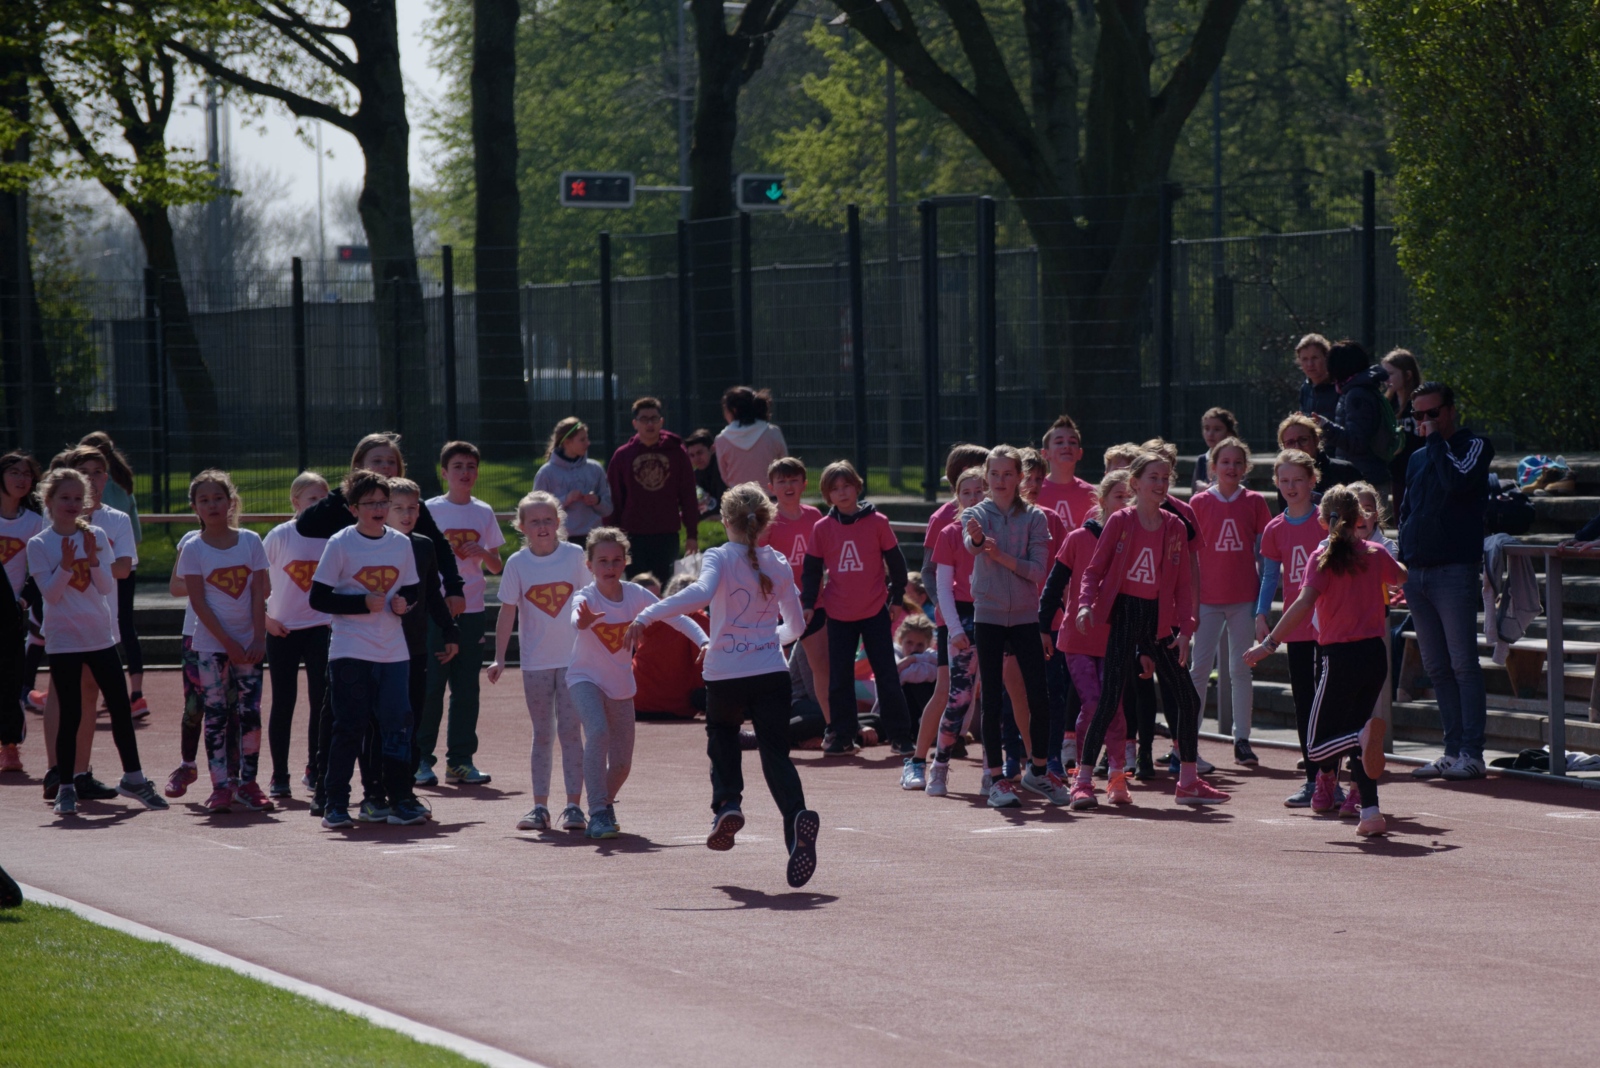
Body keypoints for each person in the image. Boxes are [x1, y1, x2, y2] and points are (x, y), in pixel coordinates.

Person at [629, 482, 819, 886]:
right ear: (766, 521)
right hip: (771, 671)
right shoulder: (780, 563)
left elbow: (699, 594)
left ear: (726, 521)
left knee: (723, 736)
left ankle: (728, 803)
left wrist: (647, 616)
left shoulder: (719, 556)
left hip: (726, 673)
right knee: (775, 753)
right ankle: (796, 818)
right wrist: (770, 640)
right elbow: (799, 626)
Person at [1246, 487, 1403, 837]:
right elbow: (1401, 576)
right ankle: (1372, 811)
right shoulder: (1375, 551)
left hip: (1340, 656)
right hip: (1374, 656)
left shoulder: (1322, 557)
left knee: (1317, 746)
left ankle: (1359, 742)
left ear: (1322, 519)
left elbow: (1302, 605)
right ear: (1358, 519)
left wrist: (1269, 645)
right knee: (1358, 729)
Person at [1075, 452, 1227, 806]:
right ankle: (1083, 780)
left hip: (1159, 620)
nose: (1160, 485)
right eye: (1153, 478)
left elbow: (1182, 587)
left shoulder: (1175, 526)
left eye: (1165, 478)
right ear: (1135, 484)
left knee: (1187, 697)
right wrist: (1085, 604)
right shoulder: (1120, 522)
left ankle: (1187, 781)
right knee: (1110, 698)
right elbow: (1094, 571)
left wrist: (1186, 630)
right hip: (1126, 613)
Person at [29, 468, 166, 815]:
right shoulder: (39, 544)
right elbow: (51, 595)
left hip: (99, 637)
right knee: (71, 713)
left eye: (78, 499)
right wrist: (66, 564)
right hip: (64, 642)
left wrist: (91, 559)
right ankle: (65, 786)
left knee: (120, 708)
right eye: (65, 498)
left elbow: (106, 588)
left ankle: (134, 778)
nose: (72, 504)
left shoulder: (98, 534)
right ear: (49, 501)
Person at [567, 527, 706, 840]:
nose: (610, 567)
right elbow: (575, 618)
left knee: (622, 764)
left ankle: (603, 800)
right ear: (589, 565)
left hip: (620, 685)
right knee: (598, 732)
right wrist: (583, 622)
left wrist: (704, 640)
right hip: (583, 678)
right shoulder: (585, 597)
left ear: (626, 562)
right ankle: (598, 813)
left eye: (617, 560)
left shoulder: (637, 595)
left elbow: (675, 616)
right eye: (602, 561)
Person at [308, 469, 425, 830]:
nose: (379, 509)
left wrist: (404, 602)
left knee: (397, 727)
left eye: (383, 502)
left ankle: (401, 799)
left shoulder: (401, 544)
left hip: (393, 652)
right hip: (350, 650)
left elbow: (412, 590)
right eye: (371, 503)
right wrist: (361, 602)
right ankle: (336, 803)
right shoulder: (341, 543)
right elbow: (319, 597)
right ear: (353, 508)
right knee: (349, 726)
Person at [1397, 382, 1494, 781]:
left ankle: (1472, 753)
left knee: (1463, 665)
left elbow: (1458, 482)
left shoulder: (1474, 446)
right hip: (1416, 572)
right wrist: (1402, 562)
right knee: (1437, 667)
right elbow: (1406, 509)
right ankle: (1451, 750)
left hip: (1453, 570)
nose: (1424, 423)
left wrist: (1436, 441)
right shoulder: (1418, 457)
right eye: (1417, 416)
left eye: (1431, 414)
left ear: (1451, 411)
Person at [962, 445, 1064, 807]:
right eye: (995, 474)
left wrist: (1000, 555)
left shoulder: (1035, 518)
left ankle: (1037, 771)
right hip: (988, 615)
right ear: (986, 477)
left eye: (1008, 474)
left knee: (1039, 696)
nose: (1001, 481)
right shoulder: (975, 514)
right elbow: (972, 544)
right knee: (991, 697)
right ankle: (995, 779)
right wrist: (978, 541)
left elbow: (1038, 571)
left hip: (1025, 616)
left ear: (1020, 477)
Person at [799, 460, 916, 759]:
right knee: (839, 677)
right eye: (834, 489)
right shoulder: (822, 528)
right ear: (827, 496)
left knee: (887, 674)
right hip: (837, 613)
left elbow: (896, 563)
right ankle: (842, 735)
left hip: (875, 610)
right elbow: (811, 570)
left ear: (857, 486)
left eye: (846, 486)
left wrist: (897, 597)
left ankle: (901, 737)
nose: (842, 492)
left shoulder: (878, 522)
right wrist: (809, 605)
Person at [1039, 469, 1136, 808]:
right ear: (1103, 500)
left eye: (1130, 497)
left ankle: (1117, 775)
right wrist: (1042, 626)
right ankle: (1082, 779)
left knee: (1114, 705)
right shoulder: (1079, 538)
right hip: (1078, 637)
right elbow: (1054, 583)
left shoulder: (1136, 541)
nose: (1125, 503)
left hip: (1117, 638)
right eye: (1119, 496)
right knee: (1093, 703)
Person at [177, 470, 271, 814]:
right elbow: (199, 602)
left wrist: (257, 636)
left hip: (250, 646)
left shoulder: (250, 541)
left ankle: (248, 782)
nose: (212, 505)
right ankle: (220, 787)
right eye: (204, 500)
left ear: (230, 502)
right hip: (210, 646)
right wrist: (227, 642)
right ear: (195, 508)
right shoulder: (193, 548)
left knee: (250, 713)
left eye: (218, 498)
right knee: (216, 714)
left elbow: (260, 590)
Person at [296, 432, 466, 613]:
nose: (385, 467)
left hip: (402, 603)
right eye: (377, 461)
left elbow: (439, 547)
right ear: (359, 466)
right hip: (354, 606)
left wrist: (454, 587)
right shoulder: (345, 505)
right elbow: (305, 525)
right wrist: (349, 489)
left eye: (391, 462)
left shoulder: (411, 505)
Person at [419, 441, 504, 787]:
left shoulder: (483, 512)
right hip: (437, 610)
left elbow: (497, 565)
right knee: (431, 686)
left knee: (467, 688)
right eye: (457, 466)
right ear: (444, 472)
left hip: (472, 610)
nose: (465, 472)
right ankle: (421, 759)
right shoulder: (428, 510)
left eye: (471, 466)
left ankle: (460, 761)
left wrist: (481, 552)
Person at [1187, 436, 1272, 767]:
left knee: (1241, 669)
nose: (1231, 468)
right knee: (1199, 670)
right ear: (1213, 467)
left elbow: (1265, 553)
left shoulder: (1254, 502)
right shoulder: (1198, 503)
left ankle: (1242, 739)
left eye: (1238, 462)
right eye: (1225, 462)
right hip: (1206, 600)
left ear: (1246, 467)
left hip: (1243, 599)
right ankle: (1187, 741)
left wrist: (1263, 602)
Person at [379, 479, 458, 824]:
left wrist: (449, 627)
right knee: (376, 723)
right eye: (399, 507)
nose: (408, 514)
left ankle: (405, 790)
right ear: (384, 510)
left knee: (411, 721)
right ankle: (367, 791)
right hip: (377, 650)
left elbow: (431, 595)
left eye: (414, 507)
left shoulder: (424, 546)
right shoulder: (370, 545)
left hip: (415, 649)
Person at [1256, 449, 1329, 807]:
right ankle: (1313, 777)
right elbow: (1270, 576)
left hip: (1330, 623)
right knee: (1303, 700)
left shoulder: (1326, 521)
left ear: (1312, 480)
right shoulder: (1274, 528)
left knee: (1327, 699)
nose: (1290, 486)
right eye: (1284, 481)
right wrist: (1260, 614)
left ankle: (1333, 777)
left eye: (1298, 479)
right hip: (1296, 626)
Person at [917, 466, 986, 796]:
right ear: (957, 497)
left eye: (980, 491)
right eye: (967, 492)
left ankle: (995, 771)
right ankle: (939, 764)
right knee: (957, 697)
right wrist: (955, 627)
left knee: (998, 700)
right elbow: (942, 586)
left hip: (999, 616)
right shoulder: (948, 532)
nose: (974, 497)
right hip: (963, 617)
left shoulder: (1006, 529)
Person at [263, 472, 332, 799]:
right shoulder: (280, 536)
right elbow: (256, 580)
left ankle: (315, 769)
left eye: (323, 499)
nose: (318, 506)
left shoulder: (333, 537)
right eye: (311, 500)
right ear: (295, 502)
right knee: (283, 701)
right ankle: (279, 775)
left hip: (320, 629)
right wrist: (266, 620)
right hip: (282, 630)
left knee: (321, 702)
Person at [79, 433, 148, 717]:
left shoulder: (103, 497)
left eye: (96, 473)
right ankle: (135, 693)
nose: (91, 480)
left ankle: (113, 691)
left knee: (107, 627)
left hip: (111, 562)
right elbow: (137, 530)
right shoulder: (125, 480)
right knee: (124, 626)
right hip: (122, 559)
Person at [760, 457, 828, 711]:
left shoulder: (814, 516)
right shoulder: (767, 520)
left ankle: (832, 728)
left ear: (804, 484)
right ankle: (767, 723)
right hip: (776, 607)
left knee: (822, 667)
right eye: (782, 481)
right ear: (771, 487)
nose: (788, 486)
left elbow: (824, 556)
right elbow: (758, 562)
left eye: (793, 480)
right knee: (770, 668)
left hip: (812, 602)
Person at [607, 397, 699, 583]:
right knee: (636, 587)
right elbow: (614, 499)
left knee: (663, 586)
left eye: (654, 418)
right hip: (632, 534)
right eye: (644, 419)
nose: (649, 424)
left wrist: (692, 534)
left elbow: (688, 495)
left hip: (666, 533)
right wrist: (612, 536)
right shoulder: (623, 456)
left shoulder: (677, 453)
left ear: (661, 422)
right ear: (635, 423)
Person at [0, 451, 42, 773]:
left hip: (12, 614)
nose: (21, 479)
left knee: (11, 680)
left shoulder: (35, 522)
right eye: (14, 472)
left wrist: (23, 602)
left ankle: (10, 746)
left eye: (27, 474)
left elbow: (39, 570)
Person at [631, 573, 710, 719]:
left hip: (637, 700)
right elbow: (705, 666)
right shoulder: (697, 618)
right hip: (676, 705)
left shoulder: (649, 615)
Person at [1317, 339, 1393, 486]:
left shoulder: (1356, 394)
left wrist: (1325, 426)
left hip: (1363, 477)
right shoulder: (1360, 389)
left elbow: (1357, 442)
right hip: (1365, 474)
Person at [533, 417, 613, 545]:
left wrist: (597, 500)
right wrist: (566, 499)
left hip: (593, 539)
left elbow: (608, 509)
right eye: (582, 439)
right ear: (567, 442)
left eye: (587, 438)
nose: (588, 443)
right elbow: (536, 511)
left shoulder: (595, 469)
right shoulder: (546, 473)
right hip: (561, 541)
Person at [715, 386, 788, 489]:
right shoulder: (773, 432)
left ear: (734, 410)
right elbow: (785, 466)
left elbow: (725, 476)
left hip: (738, 500)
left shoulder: (721, 439)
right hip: (771, 500)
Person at [1035, 416, 1098, 529]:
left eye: (1072, 442)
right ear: (1045, 453)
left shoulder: (1092, 494)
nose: (1066, 446)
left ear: (1080, 453)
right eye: (1059, 442)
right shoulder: (1034, 490)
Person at [1382, 348, 1424, 516]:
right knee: (1401, 516)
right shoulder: (1387, 403)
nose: (1386, 380)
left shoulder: (1420, 402)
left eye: (1390, 374)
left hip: (1419, 470)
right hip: (1397, 472)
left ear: (1408, 375)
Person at [1277, 413, 1361, 498]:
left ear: (1316, 440)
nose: (1297, 447)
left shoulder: (1346, 472)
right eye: (1290, 443)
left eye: (1303, 440)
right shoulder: (1284, 480)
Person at [683, 428, 727, 521]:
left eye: (700, 453)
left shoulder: (722, 470)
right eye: (692, 455)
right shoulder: (695, 474)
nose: (696, 459)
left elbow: (723, 507)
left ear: (712, 449)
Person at [1191, 407, 1238, 492]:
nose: (1210, 434)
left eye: (1217, 429)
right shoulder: (1202, 460)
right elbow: (1193, 495)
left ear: (1229, 433)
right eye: (1206, 428)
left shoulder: (1236, 458)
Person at [1296, 333, 1338, 422]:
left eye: (1315, 358)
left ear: (1326, 358)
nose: (1310, 364)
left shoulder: (1340, 387)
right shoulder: (1306, 387)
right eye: (1305, 359)